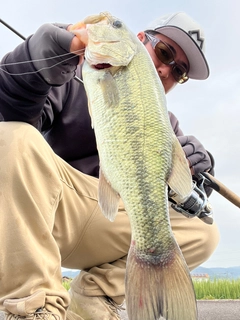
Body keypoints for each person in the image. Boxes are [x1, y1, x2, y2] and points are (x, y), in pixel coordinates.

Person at [0, 11, 219, 320]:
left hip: (108, 223)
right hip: (49, 213)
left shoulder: (168, 126)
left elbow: (184, 199)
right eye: (165, 52)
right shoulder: (70, 75)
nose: (166, 69)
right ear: (140, 40)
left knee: (205, 233)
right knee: (11, 136)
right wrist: (33, 64)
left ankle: (93, 297)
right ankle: (35, 306)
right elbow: (8, 113)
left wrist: (202, 169)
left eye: (179, 70)